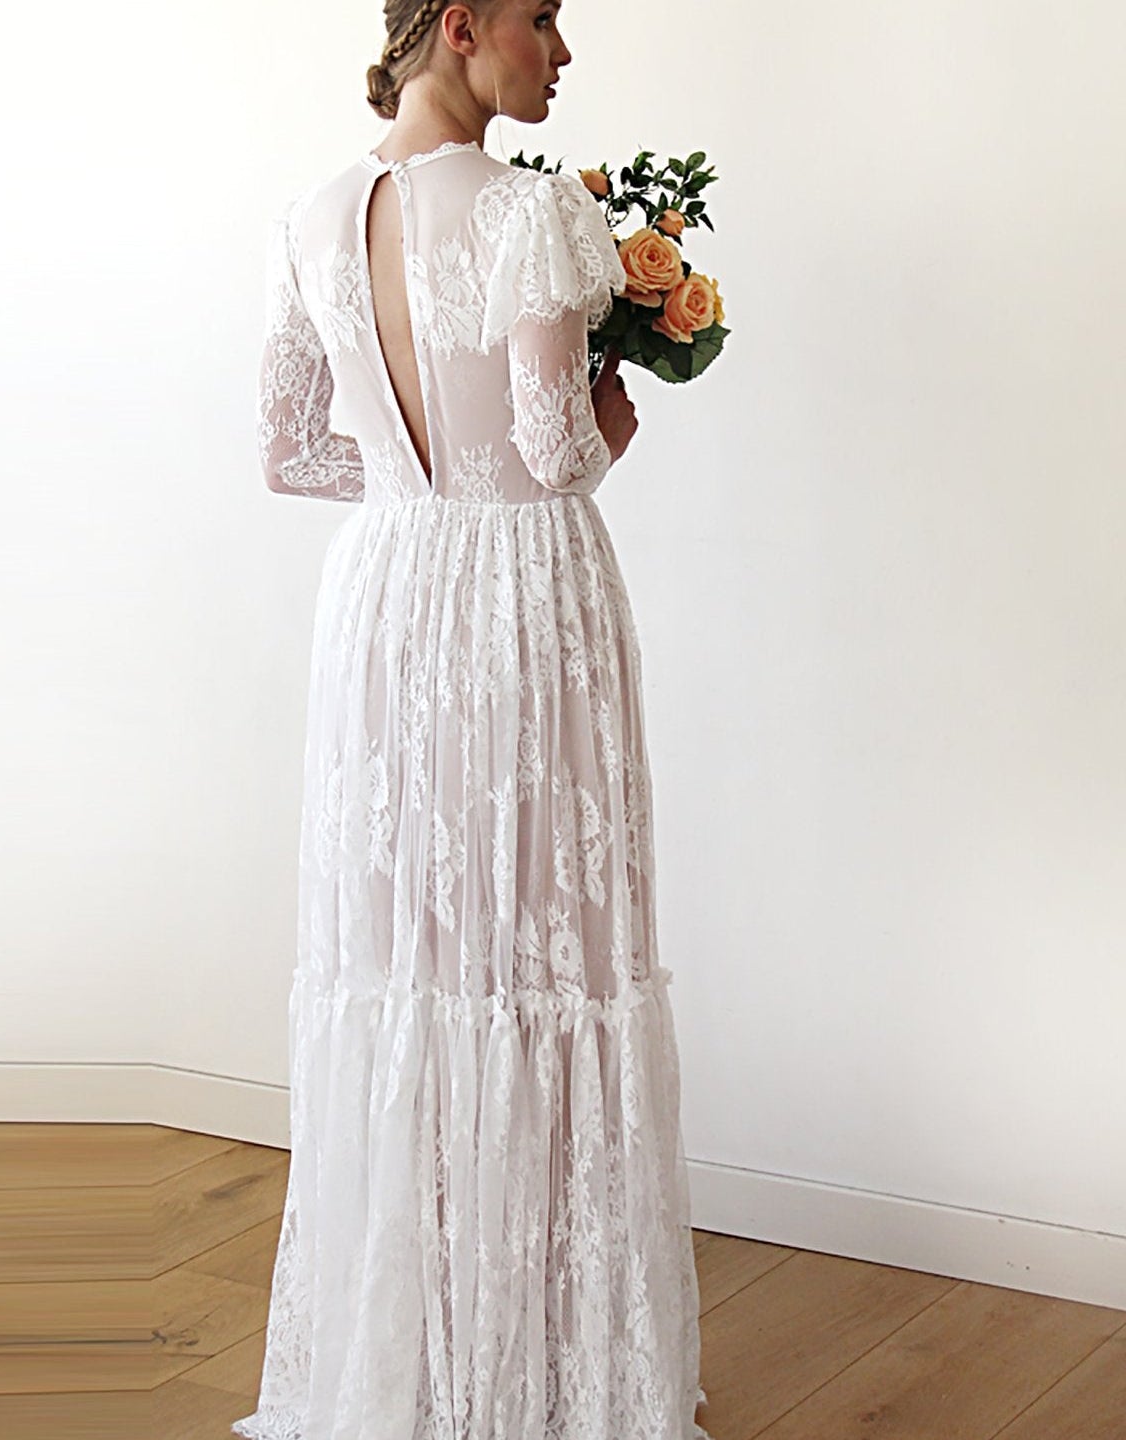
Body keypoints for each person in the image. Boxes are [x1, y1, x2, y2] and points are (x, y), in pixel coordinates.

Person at [237, 2, 709, 1435]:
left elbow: (288, 451)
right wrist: (615, 421)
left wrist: (409, 491)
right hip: (523, 603)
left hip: (386, 601)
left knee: (408, 958)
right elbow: (558, 449)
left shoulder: (314, 216)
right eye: (544, 19)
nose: (562, 51)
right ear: (462, 27)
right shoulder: (538, 212)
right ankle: (548, 1377)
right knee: (542, 958)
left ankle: (403, 1372)